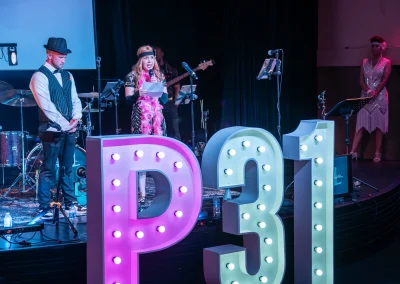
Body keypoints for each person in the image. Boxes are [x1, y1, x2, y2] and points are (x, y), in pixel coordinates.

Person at [30, 37, 85, 217]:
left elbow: (75, 99)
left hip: (70, 127)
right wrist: (64, 124)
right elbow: (46, 105)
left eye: (65, 57)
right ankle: (44, 206)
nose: (63, 60)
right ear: (49, 55)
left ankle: (70, 202)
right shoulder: (39, 76)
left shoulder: (68, 75)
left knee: (67, 167)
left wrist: (76, 118)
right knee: (49, 167)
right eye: (60, 57)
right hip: (50, 128)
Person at [125, 45, 168, 202]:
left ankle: (161, 192)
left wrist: (159, 87)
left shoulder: (159, 75)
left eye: (151, 58)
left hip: (157, 117)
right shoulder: (132, 76)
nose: (149, 61)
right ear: (140, 60)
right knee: (141, 155)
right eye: (146, 58)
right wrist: (138, 94)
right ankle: (142, 194)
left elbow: (164, 100)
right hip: (140, 117)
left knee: (159, 153)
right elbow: (127, 101)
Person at [350, 36, 392, 162]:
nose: (374, 48)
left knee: (379, 125)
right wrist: (368, 91)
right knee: (360, 124)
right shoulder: (364, 62)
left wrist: (375, 92)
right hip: (365, 95)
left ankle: (377, 153)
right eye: (372, 46)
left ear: (382, 47)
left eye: (377, 46)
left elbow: (384, 79)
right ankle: (353, 151)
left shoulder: (386, 62)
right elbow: (361, 80)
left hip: (379, 97)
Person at [154, 45, 182, 140]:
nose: (155, 55)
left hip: (170, 102)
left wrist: (176, 101)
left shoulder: (171, 69)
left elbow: (177, 86)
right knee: (158, 127)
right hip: (156, 103)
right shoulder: (152, 71)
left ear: (162, 54)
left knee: (174, 128)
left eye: (157, 52)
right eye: (154, 53)